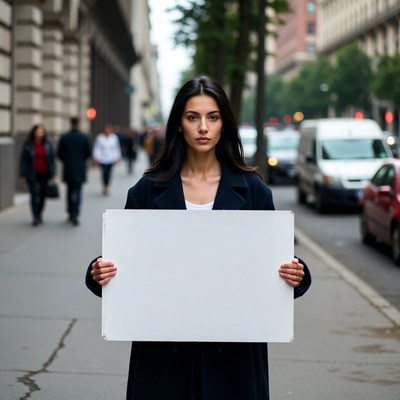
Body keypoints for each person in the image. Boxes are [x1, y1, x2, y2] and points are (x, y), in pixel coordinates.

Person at [85, 75, 312, 400]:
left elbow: (275, 262)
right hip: (163, 360)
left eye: (212, 117)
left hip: (234, 361)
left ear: (224, 125)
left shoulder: (253, 191)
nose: (203, 127)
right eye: (193, 117)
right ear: (179, 124)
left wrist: (297, 274)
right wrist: (99, 273)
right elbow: (121, 262)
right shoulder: (149, 190)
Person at [19, 124, 57, 226]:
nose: (40, 133)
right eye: (38, 131)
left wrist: (53, 173)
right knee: (34, 194)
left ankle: (40, 214)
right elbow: (23, 160)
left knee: (42, 195)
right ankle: (35, 217)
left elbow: (52, 160)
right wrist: (23, 174)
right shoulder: (28, 145)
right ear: (34, 133)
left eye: (42, 131)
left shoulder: (48, 144)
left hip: (45, 173)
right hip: (32, 173)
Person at [57, 117, 91, 226]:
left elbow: (59, 153)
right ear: (79, 124)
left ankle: (70, 212)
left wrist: (67, 160)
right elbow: (88, 153)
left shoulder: (65, 137)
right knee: (78, 191)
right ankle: (76, 214)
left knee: (69, 191)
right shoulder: (84, 137)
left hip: (68, 167)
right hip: (80, 168)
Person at [92, 123, 121, 195]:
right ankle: (104, 186)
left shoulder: (114, 137)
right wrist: (96, 157)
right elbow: (97, 148)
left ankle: (107, 185)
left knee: (109, 173)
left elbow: (116, 148)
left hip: (111, 159)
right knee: (104, 173)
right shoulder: (100, 138)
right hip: (102, 159)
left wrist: (117, 157)